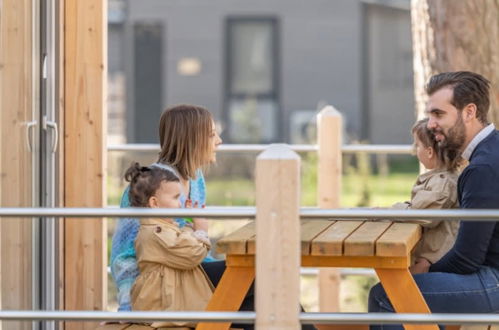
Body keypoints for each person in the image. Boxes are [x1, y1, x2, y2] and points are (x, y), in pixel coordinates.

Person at [368, 71, 499, 329]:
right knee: (403, 294)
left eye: (438, 114)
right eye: (429, 115)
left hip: (493, 280)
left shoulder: (483, 168)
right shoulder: (490, 152)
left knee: (386, 296)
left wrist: (428, 269)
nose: (430, 124)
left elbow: (467, 259)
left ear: (469, 112)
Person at [110, 104, 222, 312]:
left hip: (190, 272)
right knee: (254, 283)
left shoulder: (196, 179)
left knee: (250, 289)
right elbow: (124, 254)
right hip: (166, 289)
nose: (219, 142)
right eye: (212, 135)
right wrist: (128, 306)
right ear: (192, 139)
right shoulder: (150, 185)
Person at [124, 162, 213, 328]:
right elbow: (192, 254)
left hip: (174, 301)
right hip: (166, 306)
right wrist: (201, 231)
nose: (180, 203)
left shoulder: (162, 229)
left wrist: (188, 225)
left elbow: (180, 242)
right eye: (175, 198)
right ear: (154, 203)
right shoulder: (156, 233)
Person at [392, 118, 461, 274]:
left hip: (432, 263)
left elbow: (420, 213)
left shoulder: (443, 183)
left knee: (390, 293)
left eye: (417, 145)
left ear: (429, 152)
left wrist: (393, 210)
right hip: (429, 259)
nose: (414, 150)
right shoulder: (440, 179)